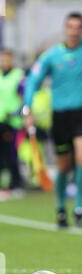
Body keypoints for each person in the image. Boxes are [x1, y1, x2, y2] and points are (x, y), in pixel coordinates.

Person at [23, 0, 82, 228]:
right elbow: (32, 81)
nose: (74, 30)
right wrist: (27, 107)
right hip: (60, 117)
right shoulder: (52, 56)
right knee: (63, 167)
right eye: (71, 26)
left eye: (79, 26)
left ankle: (78, 207)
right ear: (66, 28)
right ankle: (60, 208)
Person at [0, 49, 24, 193]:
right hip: (0, 120)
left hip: (12, 122)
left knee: (11, 154)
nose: (3, 61)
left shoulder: (18, 76)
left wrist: (18, 112)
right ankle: (5, 185)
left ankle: (16, 184)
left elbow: (24, 96)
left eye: (5, 58)